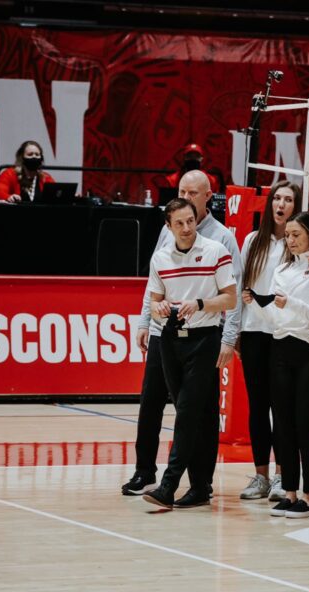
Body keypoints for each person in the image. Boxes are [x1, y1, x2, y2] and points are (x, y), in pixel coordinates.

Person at [123, 170, 242, 496]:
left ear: (208, 196)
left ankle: (198, 483)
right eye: (182, 192)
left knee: (198, 411)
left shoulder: (222, 239)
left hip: (203, 335)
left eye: (193, 194)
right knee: (150, 402)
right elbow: (154, 285)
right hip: (165, 334)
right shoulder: (167, 232)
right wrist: (145, 321)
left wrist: (229, 338)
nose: (186, 198)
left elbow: (235, 293)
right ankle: (144, 471)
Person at [237, 180, 298, 501]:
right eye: (277, 198)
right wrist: (233, 332)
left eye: (288, 199)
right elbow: (239, 288)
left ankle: (281, 475)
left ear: (294, 206)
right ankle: (260, 475)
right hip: (253, 334)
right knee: (258, 407)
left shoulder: (297, 244)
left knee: (282, 407)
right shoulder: (252, 242)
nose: (281, 204)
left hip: (283, 334)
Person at [266, 212, 309, 518]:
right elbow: (276, 317)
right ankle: (289, 491)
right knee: (283, 425)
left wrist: (291, 305)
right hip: (280, 348)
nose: (290, 241)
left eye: (296, 235)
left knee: (306, 425)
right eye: (287, 235)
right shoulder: (280, 270)